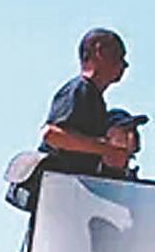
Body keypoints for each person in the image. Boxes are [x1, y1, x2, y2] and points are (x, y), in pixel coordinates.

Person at [39, 28, 138, 177]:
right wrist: (106, 148)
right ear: (100, 52)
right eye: (119, 56)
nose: (124, 64)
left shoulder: (94, 100)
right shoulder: (80, 89)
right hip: (56, 184)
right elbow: (52, 135)